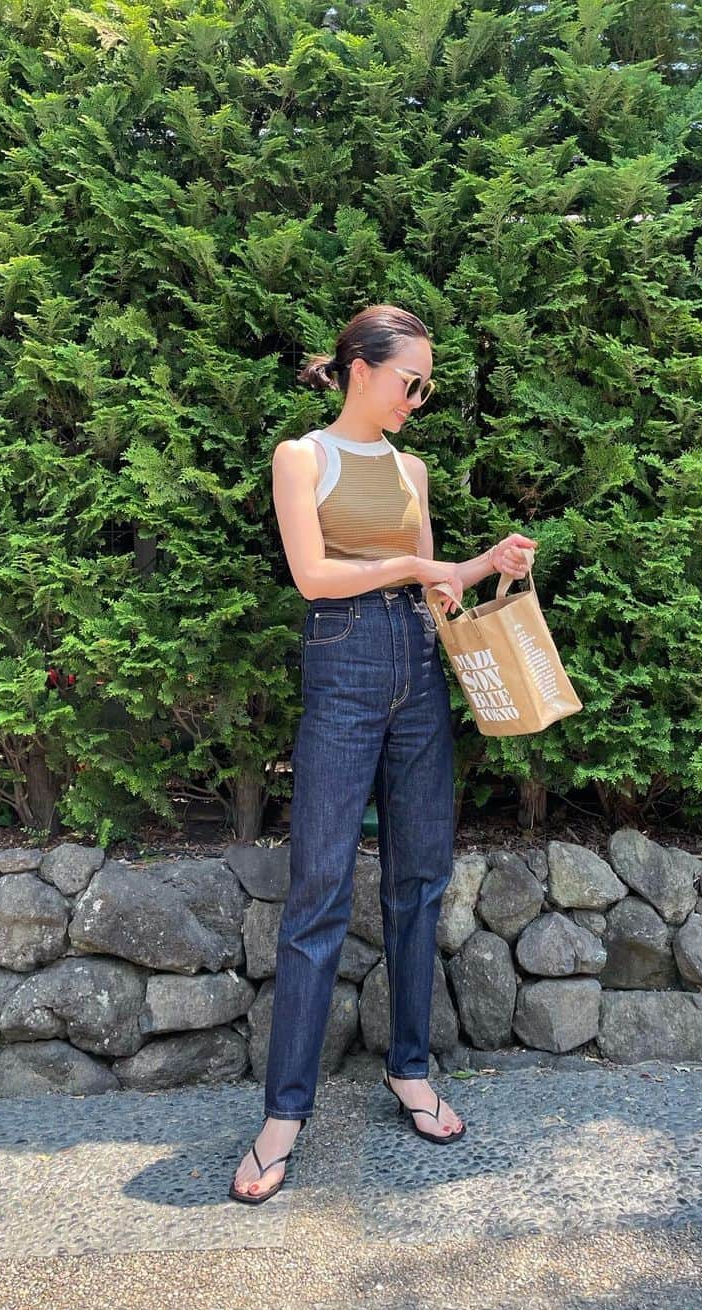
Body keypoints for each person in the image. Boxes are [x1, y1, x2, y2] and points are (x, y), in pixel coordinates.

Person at [228, 304, 536, 1204]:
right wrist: (411, 570)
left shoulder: (413, 468)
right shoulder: (303, 457)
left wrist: (484, 568)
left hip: (416, 665)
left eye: (426, 384)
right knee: (320, 885)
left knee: (419, 880)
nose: (418, 396)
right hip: (343, 663)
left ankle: (410, 1068)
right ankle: (285, 1111)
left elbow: (433, 587)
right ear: (361, 369)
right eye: (411, 380)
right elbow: (313, 577)